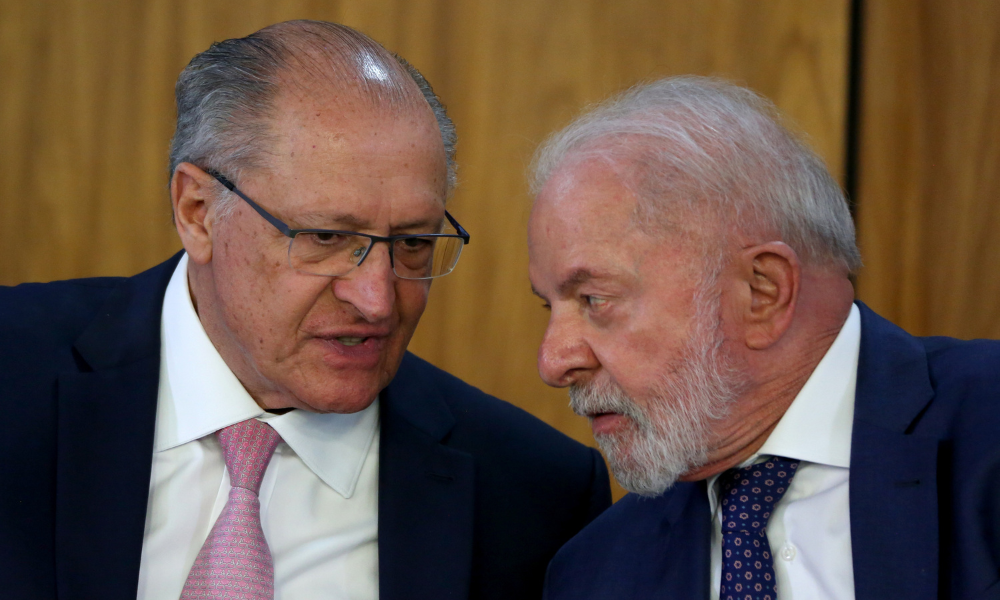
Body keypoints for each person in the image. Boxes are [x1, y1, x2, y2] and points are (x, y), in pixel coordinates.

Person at [0, 20, 610, 600]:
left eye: (413, 244)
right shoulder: (13, 367)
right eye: (325, 237)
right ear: (197, 212)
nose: (376, 300)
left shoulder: (532, 495)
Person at [528, 76, 1000, 600]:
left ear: (762, 291)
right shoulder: (594, 574)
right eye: (550, 306)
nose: (553, 362)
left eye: (594, 299)